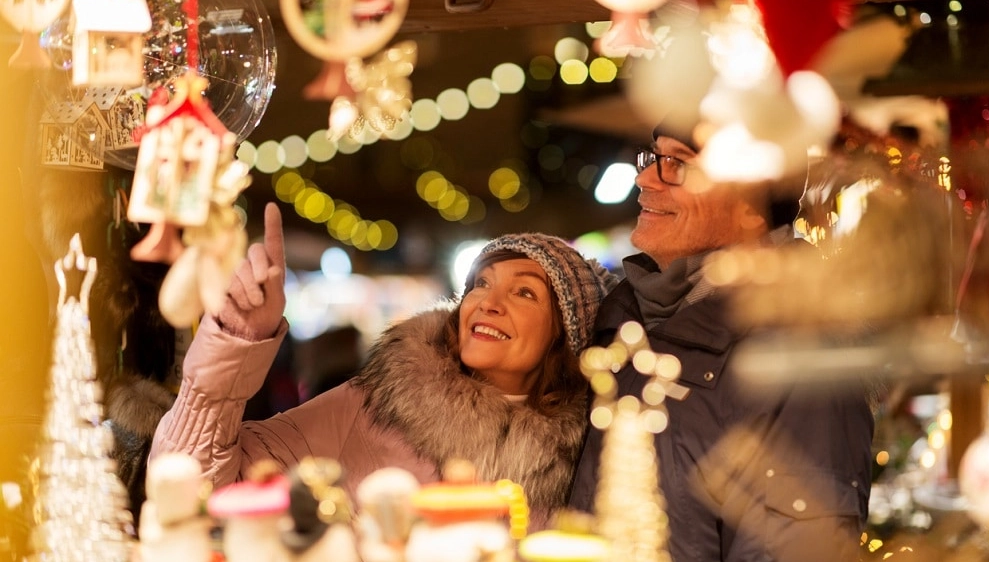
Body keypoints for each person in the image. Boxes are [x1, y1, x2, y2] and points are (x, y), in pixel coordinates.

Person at [150, 203, 618, 528]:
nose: (487, 303)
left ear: (566, 335)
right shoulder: (375, 405)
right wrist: (235, 342)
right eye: (480, 283)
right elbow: (194, 485)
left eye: (524, 292)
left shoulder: (587, 458)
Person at [567, 128, 875, 561]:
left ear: (753, 204)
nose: (647, 180)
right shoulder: (618, 319)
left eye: (678, 164)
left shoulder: (804, 352)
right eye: (654, 157)